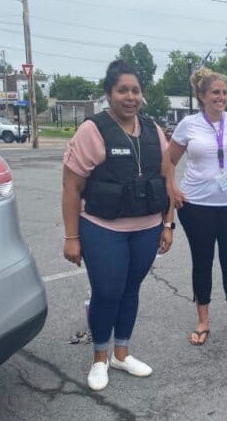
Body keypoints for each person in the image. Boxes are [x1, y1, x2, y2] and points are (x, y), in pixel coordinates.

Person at [62, 60, 176, 391]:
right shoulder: (92, 131)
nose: (130, 97)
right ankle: (100, 358)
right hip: (102, 228)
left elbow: (168, 179)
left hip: (146, 228)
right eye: (122, 90)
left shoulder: (154, 130)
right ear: (109, 93)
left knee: (130, 290)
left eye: (136, 90)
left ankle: (121, 354)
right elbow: (71, 187)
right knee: (107, 291)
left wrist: (168, 224)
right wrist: (71, 237)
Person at [168, 67, 227, 346]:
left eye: (224, 93)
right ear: (202, 96)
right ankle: (203, 321)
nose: (221, 98)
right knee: (202, 261)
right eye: (215, 93)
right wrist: (172, 187)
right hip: (196, 205)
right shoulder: (189, 125)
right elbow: (168, 161)